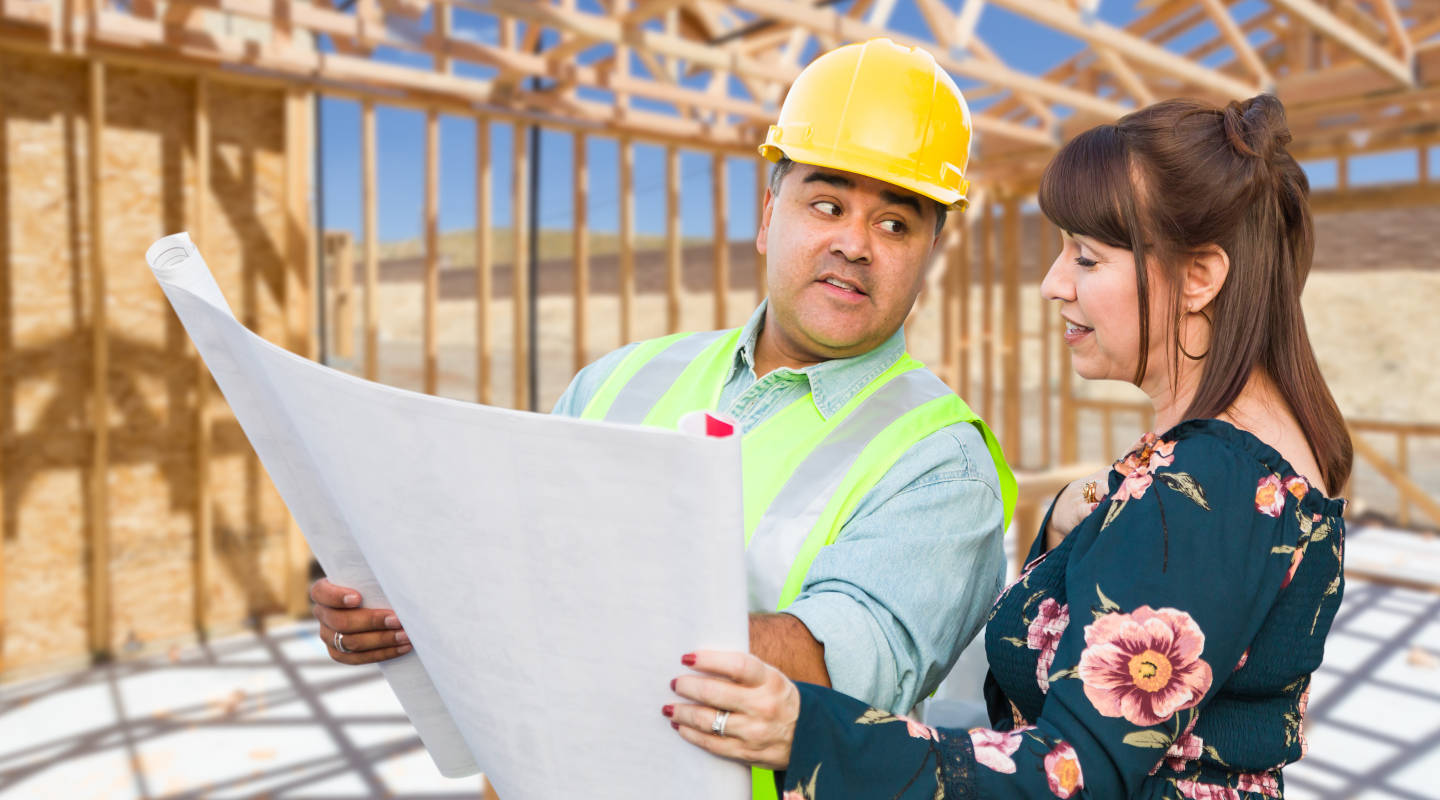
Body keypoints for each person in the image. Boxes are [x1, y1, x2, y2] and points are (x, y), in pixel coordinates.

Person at [310, 38, 1016, 798]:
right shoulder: (621, 377)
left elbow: (834, 670)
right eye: (828, 203)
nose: (854, 243)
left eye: (896, 224)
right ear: (769, 216)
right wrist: (408, 606)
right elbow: (506, 550)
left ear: (927, 254)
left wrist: (500, 614)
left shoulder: (942, 462)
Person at [664, 93, 1352, 800]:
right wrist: (1077, 527)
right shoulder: (1240, 465)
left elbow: (1074, 778)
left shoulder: (1213, 482)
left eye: (1085, 258)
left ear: (1200, 278)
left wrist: (806, 730)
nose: (1055, 285)